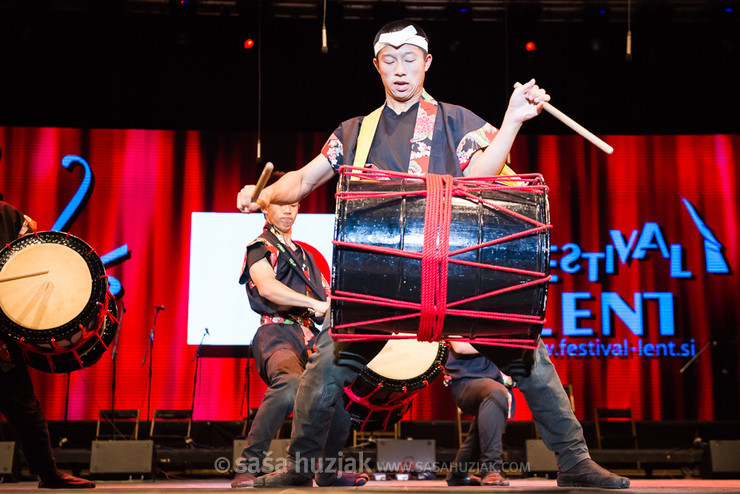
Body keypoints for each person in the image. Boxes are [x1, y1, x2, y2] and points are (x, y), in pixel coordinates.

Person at [236, 21, 629, 489]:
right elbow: (301, 180)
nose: (400, 70)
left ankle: (574, 463)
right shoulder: (355, 132)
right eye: (389, 60)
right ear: (377, 66)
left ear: (426, 63)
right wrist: (262, 196)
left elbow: (480, 176)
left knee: (528, 358)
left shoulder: (455, 119)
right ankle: (301, 470)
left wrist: (512, 121)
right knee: (325, 368)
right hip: (383, 282)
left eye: (410, 59)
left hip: (455, 276)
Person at [232, 175, 368, 488]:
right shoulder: (260, 246)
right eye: (281, 205)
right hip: (277, 333)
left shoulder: (307, 257)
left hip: (309, 338)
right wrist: (315, 305)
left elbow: (329, 301)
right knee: (290, 386)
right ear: (266, 210)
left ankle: (326, 472)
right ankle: (248, 466)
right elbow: (267, 287)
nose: (289, 210)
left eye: (293, 204)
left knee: (336, 403)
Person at [0, 200, 95, 489]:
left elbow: (32, 255)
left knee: (25, 408)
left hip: (3, 332)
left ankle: (48, 473)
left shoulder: (8, 215)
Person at [445, 342, 510, 487]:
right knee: (496, 393)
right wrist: (502, 342)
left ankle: (458, 473)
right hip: (465, 381)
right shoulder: (456, 318)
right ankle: (490, 469)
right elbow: (460, 346)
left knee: (486, 423)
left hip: (493, 382)